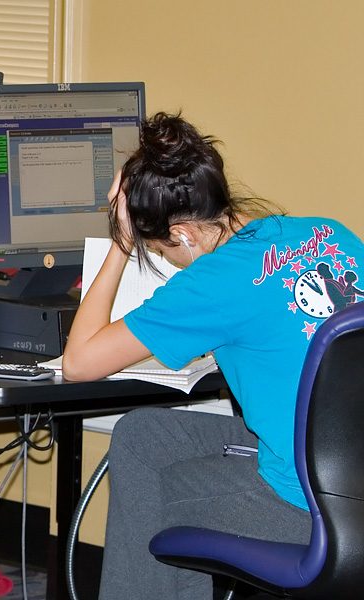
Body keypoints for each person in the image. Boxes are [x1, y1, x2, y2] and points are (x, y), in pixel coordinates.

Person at [61, 112, 364, 600]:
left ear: (182, 234)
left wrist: (121, 242)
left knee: (156, 497)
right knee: (142, 436)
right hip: (346, 467)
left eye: (160, 250)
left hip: (307, 502)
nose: (166, 260)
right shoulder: (326, 232)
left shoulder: (215, 280)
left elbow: (78, 363)